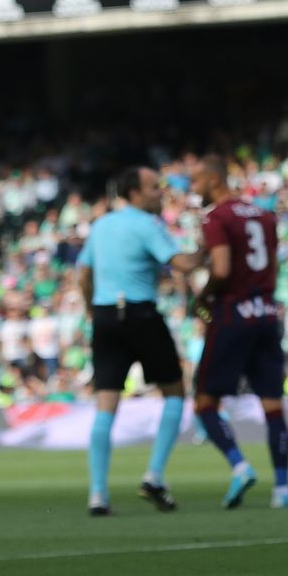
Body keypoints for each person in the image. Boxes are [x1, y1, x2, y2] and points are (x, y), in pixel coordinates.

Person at [74, 167, 202, 516]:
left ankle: (98, 494)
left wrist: (92, 311)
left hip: (105, 316)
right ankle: (154, 475)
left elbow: (83, 276)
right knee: (174, 392)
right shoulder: (147, 225)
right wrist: (208, 248)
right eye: (153, 187)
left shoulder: (100, 225)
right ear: (134, 193)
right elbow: (183, 264)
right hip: (141, 314)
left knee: (105, 405)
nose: (159, 192)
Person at [189, 155, 288, 509]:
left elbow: (221, 269)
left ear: (215, 180)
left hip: (233, 314)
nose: (194, 189)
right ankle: (282, 490)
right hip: (266, 314)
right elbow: (273, 267)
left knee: (205, 402)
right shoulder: (265, 216)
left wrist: (203, 297)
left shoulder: (216, 217)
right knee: (273, 406)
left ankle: (240, 465)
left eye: (197, 181)